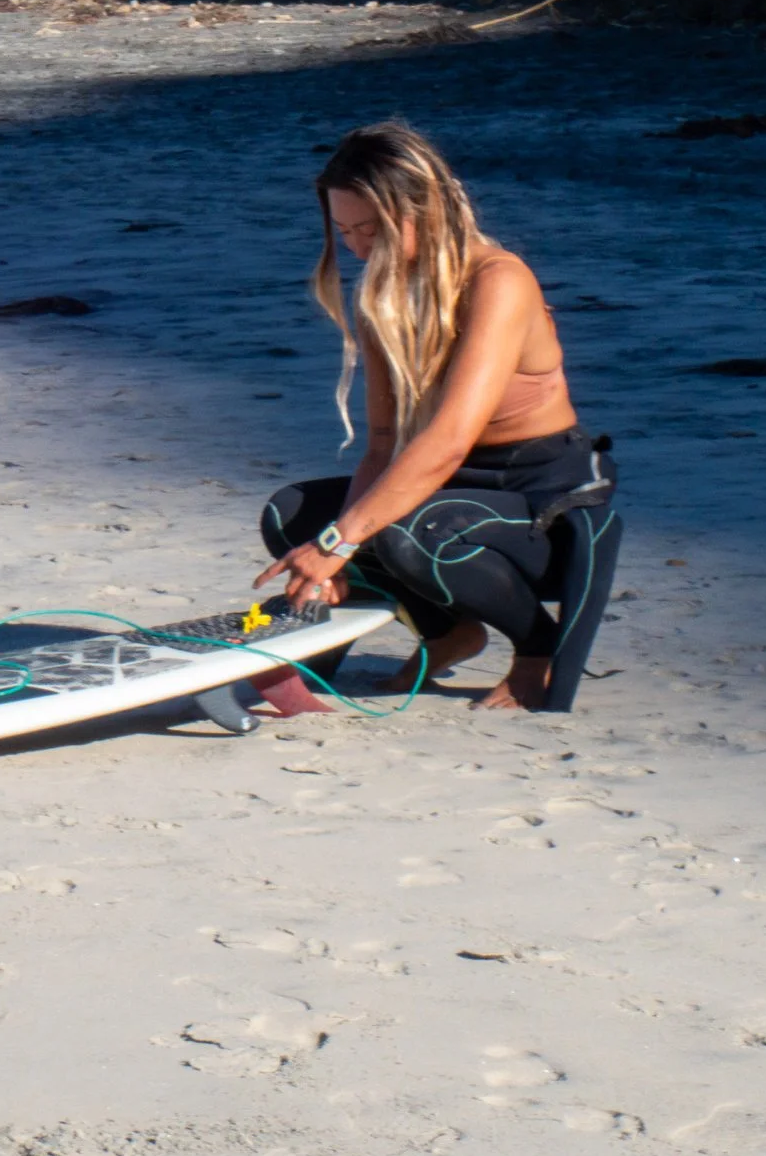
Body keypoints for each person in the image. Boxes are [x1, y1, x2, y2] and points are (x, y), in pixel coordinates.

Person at [252, 120, 616, 713]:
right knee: (292, 515)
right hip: (446, 490)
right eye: (344, 231)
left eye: (370, 229)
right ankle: (448, 632)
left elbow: (448, 439)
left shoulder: (500, 280)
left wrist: (342, 542)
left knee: (400, 530)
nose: (359, 248)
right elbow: (384, 443)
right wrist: (329, 543)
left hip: (537, 496)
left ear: (425, 207)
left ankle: (536, 648)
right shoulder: (381, 295)